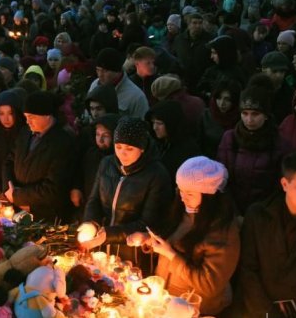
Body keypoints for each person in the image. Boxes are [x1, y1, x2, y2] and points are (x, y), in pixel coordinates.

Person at [127, 156, 240, 317]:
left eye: (190, 193)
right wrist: (149, 239)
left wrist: (171, 255)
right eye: (180, 190)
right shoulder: (183, 212)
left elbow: (210, 285)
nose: (182, 197)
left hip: (196, 309)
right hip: (168, 301)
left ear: (209, 194)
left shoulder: (223, 232)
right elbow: (172, 240)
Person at [237, 152, 296, 317]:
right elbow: (247, 270)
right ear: (285, 184)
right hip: (260, 310)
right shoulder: (258, 216)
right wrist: (267, 313)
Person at [81, 117, 173, 270]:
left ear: (142, 148)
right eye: (118, 146)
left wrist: (108, 235)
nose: (122, 153)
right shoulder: (107, 164)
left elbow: (149, 223)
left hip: (134, 251)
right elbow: (94, 200)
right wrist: (90, 223)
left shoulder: (156, 174)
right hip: (102, 246)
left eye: (130, 149)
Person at [3, 90, 77, 222]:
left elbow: (53, 188)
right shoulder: (25, 133)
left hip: (45, 216)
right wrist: (9, 189)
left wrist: (18, 196)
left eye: (32, 117)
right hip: (17, 208)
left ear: (47, 116)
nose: (28, 122)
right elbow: (9, 161)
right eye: (26, 117)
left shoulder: (62, 142)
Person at [217, 86, 290, 214]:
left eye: (255, 114)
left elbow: (279, 187)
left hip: (264, 214)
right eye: (245, 113)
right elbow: (221, 179)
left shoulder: (279, 144)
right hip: (231, 212)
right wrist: (232, 212)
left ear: (266, 115)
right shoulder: (230, 139)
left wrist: (260, 214)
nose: (249, 120)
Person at [87, 48, 149, 119]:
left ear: (117, 72)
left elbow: (142, 126)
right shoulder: (94, 85)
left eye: (105, 71)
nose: (100, 75)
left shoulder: (136, 96)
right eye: (98, 70)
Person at [0, 88, 26, 190]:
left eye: (10, 113)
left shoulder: (25, 133)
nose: (6, 119)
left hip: (19, 189)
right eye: (1, 113)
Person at [146, 100, 202, 177]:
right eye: (153, 122)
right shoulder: (156, 144)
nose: (155, 127)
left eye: (159, 123)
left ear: (171, 123)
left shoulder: (188, 150)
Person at [199, 79, 241, 158]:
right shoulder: (206, 116)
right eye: (219, 98)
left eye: (227, 99)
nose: (222, 103)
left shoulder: (241, 118)